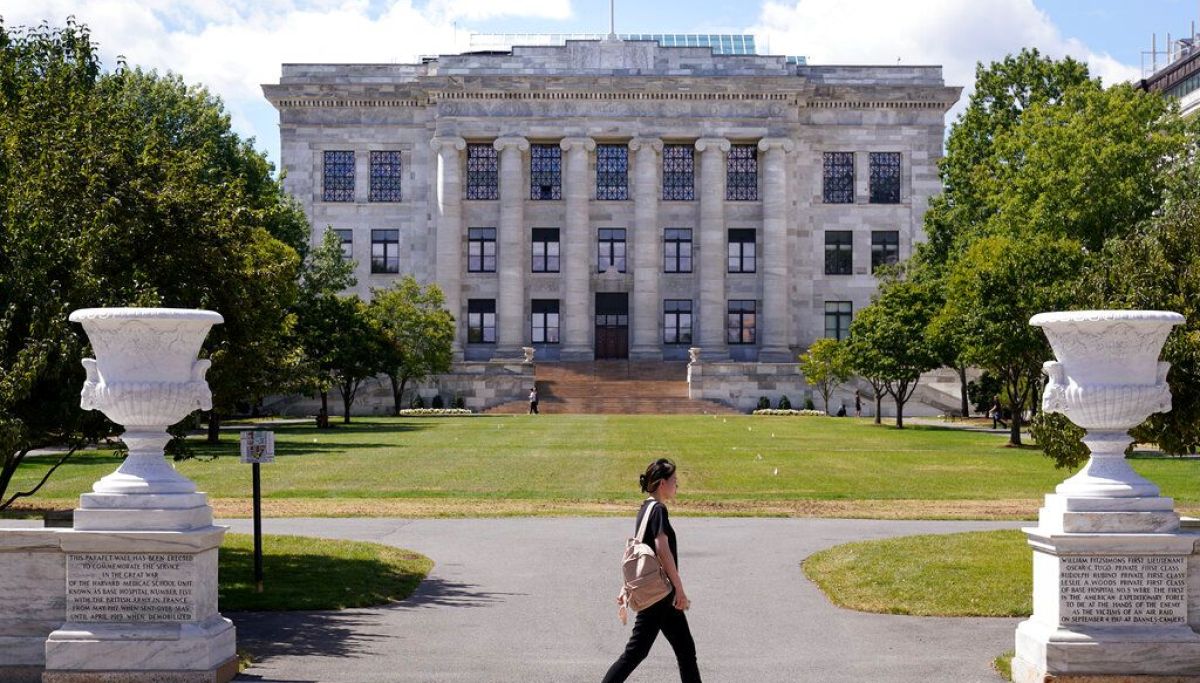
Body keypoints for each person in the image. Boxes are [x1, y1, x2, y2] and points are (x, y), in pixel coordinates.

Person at [603, 459, 701, 683]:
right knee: (636, 652)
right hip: (659, 594)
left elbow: (641, 552)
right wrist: (679, 588)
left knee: (685, 650)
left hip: (660, 593)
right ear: (662, 483)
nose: (677, 485)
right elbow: (661, 549)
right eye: (674, 480)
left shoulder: (646, 509)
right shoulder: (657, 510)